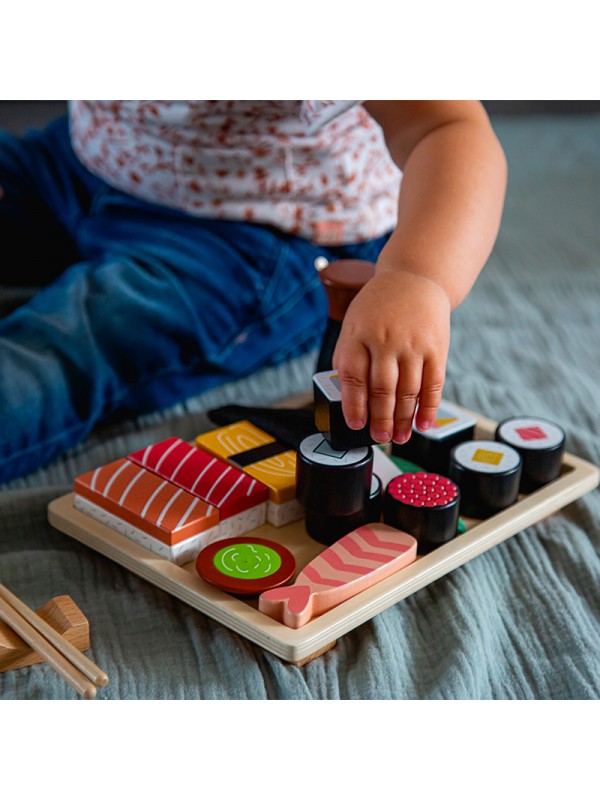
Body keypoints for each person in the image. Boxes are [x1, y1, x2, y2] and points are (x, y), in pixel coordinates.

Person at [0, 100, 506, 485]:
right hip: (78, 161)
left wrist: (416, 278)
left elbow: (447, 130)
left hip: (253, 233)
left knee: (74, 340)